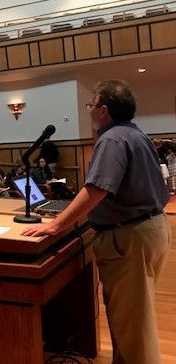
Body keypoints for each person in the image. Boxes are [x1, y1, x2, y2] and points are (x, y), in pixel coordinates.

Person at [22, 79, 171, 364]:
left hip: (129, 237)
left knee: (134, 328)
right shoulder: (136, 134)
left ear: (103, 110)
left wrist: (55, 225)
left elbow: (96, 189)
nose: (89, 111)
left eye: (90, 105)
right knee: (134, 318)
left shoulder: (112, 139)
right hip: (150, 228)